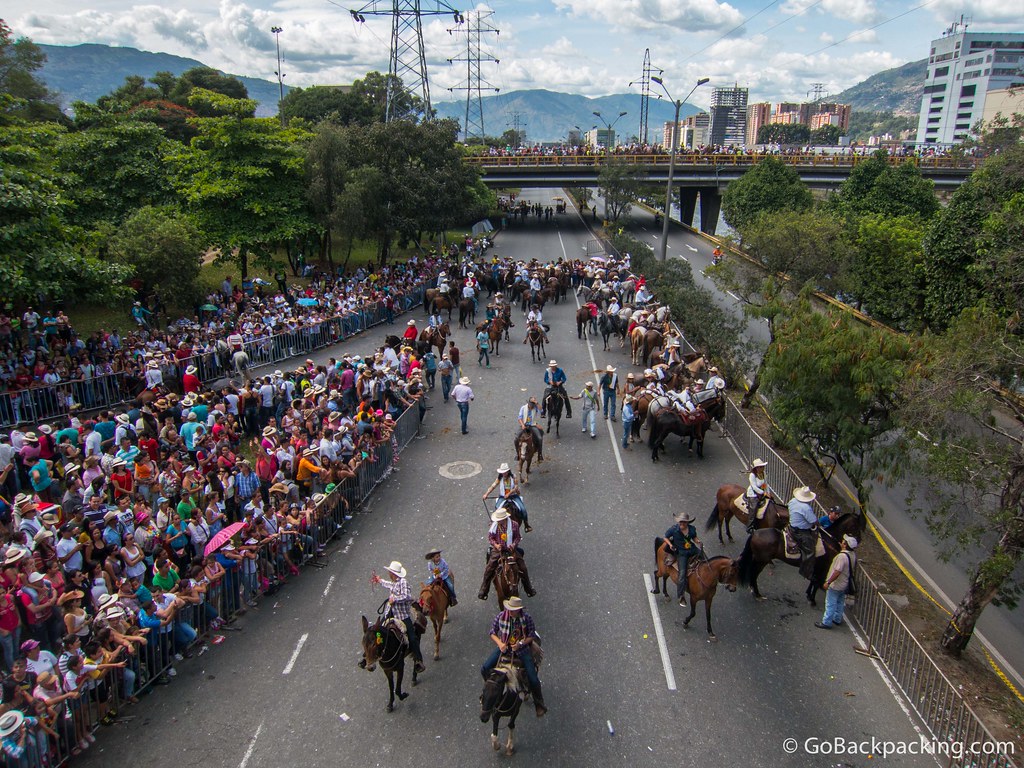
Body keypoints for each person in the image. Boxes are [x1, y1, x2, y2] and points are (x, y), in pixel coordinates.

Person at [480, 596, 546, 717]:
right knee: (484, 668)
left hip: (522, 651)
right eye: (509, 609)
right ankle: (488, 692)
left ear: (518, 610)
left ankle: (539, 703)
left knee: (533, 678)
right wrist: (500, 643)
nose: (510, 611)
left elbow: (531, 635)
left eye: (513, 609)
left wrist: (520, 643)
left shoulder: (526, 619)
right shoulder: (501, 616)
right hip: (504, 649)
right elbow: (492, 632)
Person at [371, 561, 425, 674]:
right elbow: (388, 585)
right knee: (377, 630)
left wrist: (395, 599)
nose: (389, 573)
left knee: (412, 637)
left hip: (402, 616)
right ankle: (369, 655)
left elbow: (406, 596)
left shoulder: (403, 582)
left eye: (390, 572)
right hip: (390, 612)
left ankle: (418, 660)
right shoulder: (394, 582)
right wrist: (379, 580)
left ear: (393, 573)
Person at [478, 508, 535, 599]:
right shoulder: (494, 526)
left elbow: (518, 537)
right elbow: (490, 538)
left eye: (500, 520)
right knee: (489, 568)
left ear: (504, 518)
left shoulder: (514, 525)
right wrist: (496, 545)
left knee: (523, 567)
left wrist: (513, 544)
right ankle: (484, 589)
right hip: (498, 551)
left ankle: (528, 588)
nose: (498, 521)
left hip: (511, 551)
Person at [816, 535, 858, 630]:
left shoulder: (841, 557)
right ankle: (837, 619)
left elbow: (837, 571)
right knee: (840, 602)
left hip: (836, 584)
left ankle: (826, 622)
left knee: (830, 603)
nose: (842, 542)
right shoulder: (853, 555)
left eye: (844, 542)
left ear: (845, 545)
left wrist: (828, 582)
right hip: (845, 584)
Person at [661, 512, 702, 607]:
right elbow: (665, 537)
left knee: (704, 559)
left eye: (684, 522)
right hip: (681, 553)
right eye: (680, 522)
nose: (682, 524)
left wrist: (698, 541)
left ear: (687, 523)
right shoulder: (674, 530)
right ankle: (681, 596)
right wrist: (670, 545)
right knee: (682, 573)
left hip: (691, 549)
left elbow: (694, 537)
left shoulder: (691, 529)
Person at [482, 463, 530, 532]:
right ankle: (495, 524)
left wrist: (509, 493)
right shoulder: (499, 478)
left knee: (523, 509)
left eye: (504, 472)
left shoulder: (513, 477)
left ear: (508, 471)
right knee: (497, 508)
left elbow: (516, 487)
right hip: (503, 497)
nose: (503, 474)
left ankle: (526, 525)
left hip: (513, 496)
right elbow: (493, 486)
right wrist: (486, 494)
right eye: (502, 472)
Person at [788, 486, 819, 579]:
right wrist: (818, 523)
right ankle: (805, 571)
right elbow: (813, 521)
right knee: (811, 551)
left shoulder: (793, 501)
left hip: (791, 526)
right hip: (800, 532)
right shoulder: (806, 508)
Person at [744, 458, 775, 533]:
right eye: (760, 467)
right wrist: (763, 493)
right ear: (756, 468)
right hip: (753, 493)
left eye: (763, 466)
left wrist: (768, 492)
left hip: (762, 491)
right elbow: (754, 487)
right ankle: (749, 526)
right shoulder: (752, 475)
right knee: (753, 508)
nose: (762, 468)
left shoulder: (763, 473)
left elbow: (765, 484)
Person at [516, 397, 544, 462]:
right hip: (525, 425)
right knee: (516, 438)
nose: (531, 407)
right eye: (530, 406)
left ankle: (540, 454)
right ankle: (517, 454)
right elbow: (519, 418)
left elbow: (542, 410)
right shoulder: (523, 408)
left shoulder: (536, 407)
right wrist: (522, 425)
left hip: (532, 425)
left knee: (539, 438)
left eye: (532, 406)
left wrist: (536, 403)